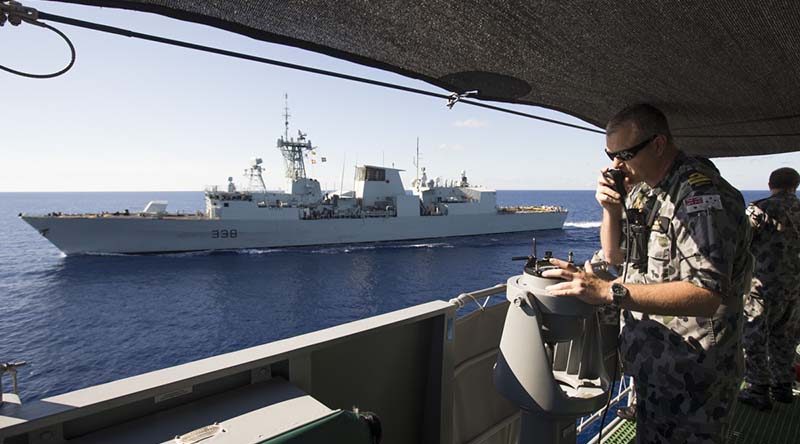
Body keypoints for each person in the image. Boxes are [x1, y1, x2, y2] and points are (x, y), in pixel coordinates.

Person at [543, 104, 752, 443]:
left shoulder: (700, 196)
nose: (616, 165)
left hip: (694, 371)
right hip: (653, 361)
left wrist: (610, 292)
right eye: (610, 155)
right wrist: (610, 210)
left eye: (624, 153)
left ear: (657, 144)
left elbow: (706, 295)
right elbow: (615, 256)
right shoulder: (642, 192)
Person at [738, 167, 800, 410]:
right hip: (794, 287)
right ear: (795, 185)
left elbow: (739, 240)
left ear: (770, 183)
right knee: (785, 337)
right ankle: (783, 386)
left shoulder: (759, 209)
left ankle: (758, 389)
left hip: (762, 286)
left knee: (753, 336)